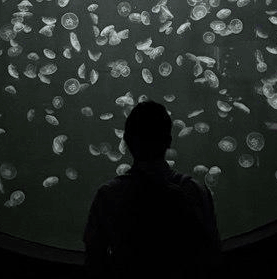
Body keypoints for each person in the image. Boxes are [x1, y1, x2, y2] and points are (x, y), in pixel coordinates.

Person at [83, 100, 221, 278]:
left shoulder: (108, 196)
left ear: (126, 142)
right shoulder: (195, 191)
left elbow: (94, 264)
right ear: (169, 141)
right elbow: (213, 259)